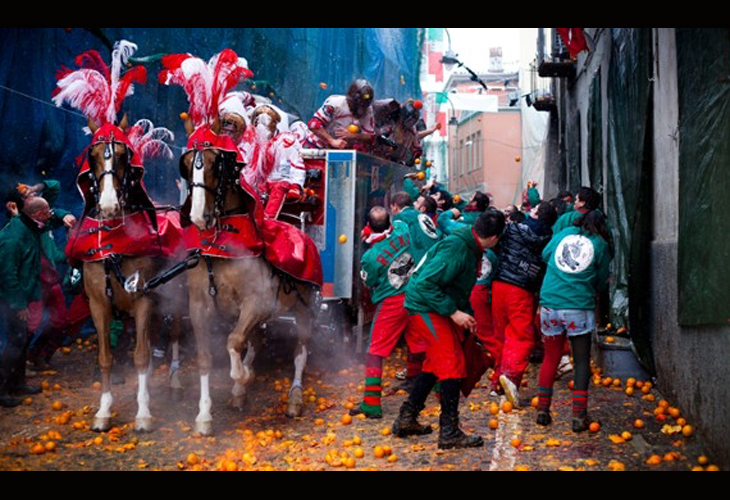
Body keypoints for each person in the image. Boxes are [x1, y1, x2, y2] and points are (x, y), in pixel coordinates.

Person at [393, 210, 505, 450]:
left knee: (434, 365)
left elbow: (455, 287)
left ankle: (407, 418)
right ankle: (449, 432)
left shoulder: (471, 245)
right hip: (424, 306)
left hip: (436, 306)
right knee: (452, 364)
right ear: (495, 238)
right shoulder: (458, 248)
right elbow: (425, 284)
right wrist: (454, 313)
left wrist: (464, 314)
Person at [536, 210, 612, 432]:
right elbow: (601, 278)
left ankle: (542, 410)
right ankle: (579, 416)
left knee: (551, 357)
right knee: (580, 361)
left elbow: (545, 254)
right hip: (577, 306)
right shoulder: (600, 243)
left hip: (549, 304)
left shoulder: (564, 233)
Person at [351, 207, 426, 419]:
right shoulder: (402, 231)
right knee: (421, 341)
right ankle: (425, 384)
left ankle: (372, 402)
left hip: (392, 301)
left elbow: (370, 281)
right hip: (414, 293)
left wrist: (370, 242)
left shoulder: (370, 257)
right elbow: (403, 224)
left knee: (375, 349)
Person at [492, 201, 556, 407]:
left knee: (502, 335)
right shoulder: (549, 239)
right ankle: (511, 377)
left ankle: (498, 381)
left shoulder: (513, 229)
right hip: (522, 290)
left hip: (500, 284)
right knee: (521, 336)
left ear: (535, 214)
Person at [0, 197, 50, 407]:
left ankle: (17, 383)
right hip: (10, 298)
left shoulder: (29, 226)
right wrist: (19, 305)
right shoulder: (13, 238)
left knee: (21, 339)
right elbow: (7, 274)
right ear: (37, 214)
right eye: (47, 211)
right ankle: (2, 389)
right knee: (15, 342)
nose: (50, 214)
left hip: (23, 295)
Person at [242, 104, 306, 220]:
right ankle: (252, 221)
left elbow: (297, 164)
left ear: (275, 124)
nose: (262, 126)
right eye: (258, 122)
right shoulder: (250, 141)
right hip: (259, 182)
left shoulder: (287, 141)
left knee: (279, 188)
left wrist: (296, 185)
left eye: (266, 122)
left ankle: (268, 222)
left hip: (280, 181)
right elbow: (245, 164)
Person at [305, 79, 376, 151]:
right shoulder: (336, 104)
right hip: (317, 147)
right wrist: (331, 140)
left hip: (341, 151)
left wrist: (354, 136)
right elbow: (313, 124)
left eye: (363, 106)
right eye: (358, 105)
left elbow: (370, 136)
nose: (360, 110)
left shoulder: (368, 110)